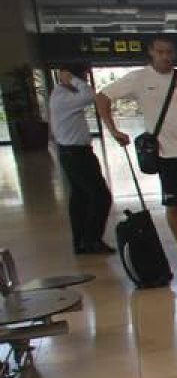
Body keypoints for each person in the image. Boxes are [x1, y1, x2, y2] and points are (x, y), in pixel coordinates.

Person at [97, 35, 177, 274]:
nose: (165, 57)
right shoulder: (139, 78)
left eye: (169, 52)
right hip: (166, 157)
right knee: (173, 206)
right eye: (160, 52)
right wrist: (113, 130)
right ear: (151, 52)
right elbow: (102, 97)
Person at [49, 64, 116, 255]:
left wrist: (72, 79)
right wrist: (72, 79)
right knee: (101, 196)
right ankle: (91, 240)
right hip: (76, 155)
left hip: (74, 153)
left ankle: (81, 241)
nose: (85, 81)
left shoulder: (62, 96)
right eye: (83, 76)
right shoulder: (62, 96)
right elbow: (89, 95)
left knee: (80, 197)